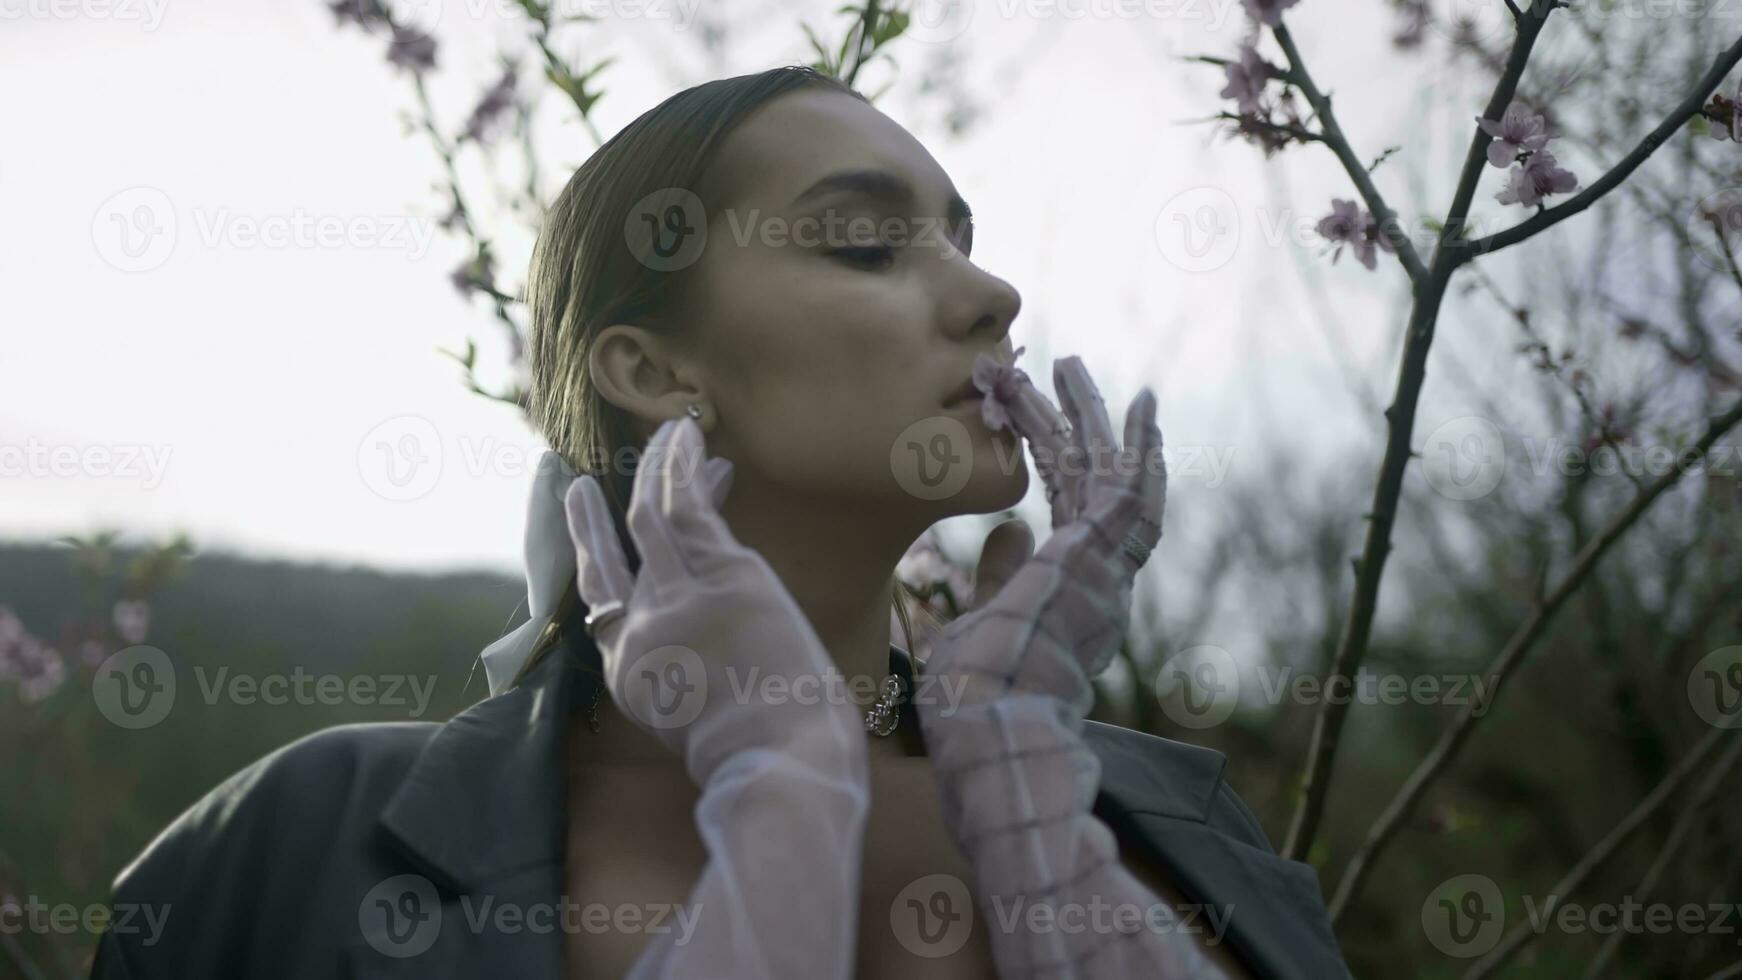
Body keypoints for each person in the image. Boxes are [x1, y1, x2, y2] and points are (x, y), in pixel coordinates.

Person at [91, 65, 1348, 979]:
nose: (989, 292)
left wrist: (1017, 749)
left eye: (960, 239)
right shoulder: (300, 842)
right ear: (650, 369)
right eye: (864, 242)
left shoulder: (1175, 818)